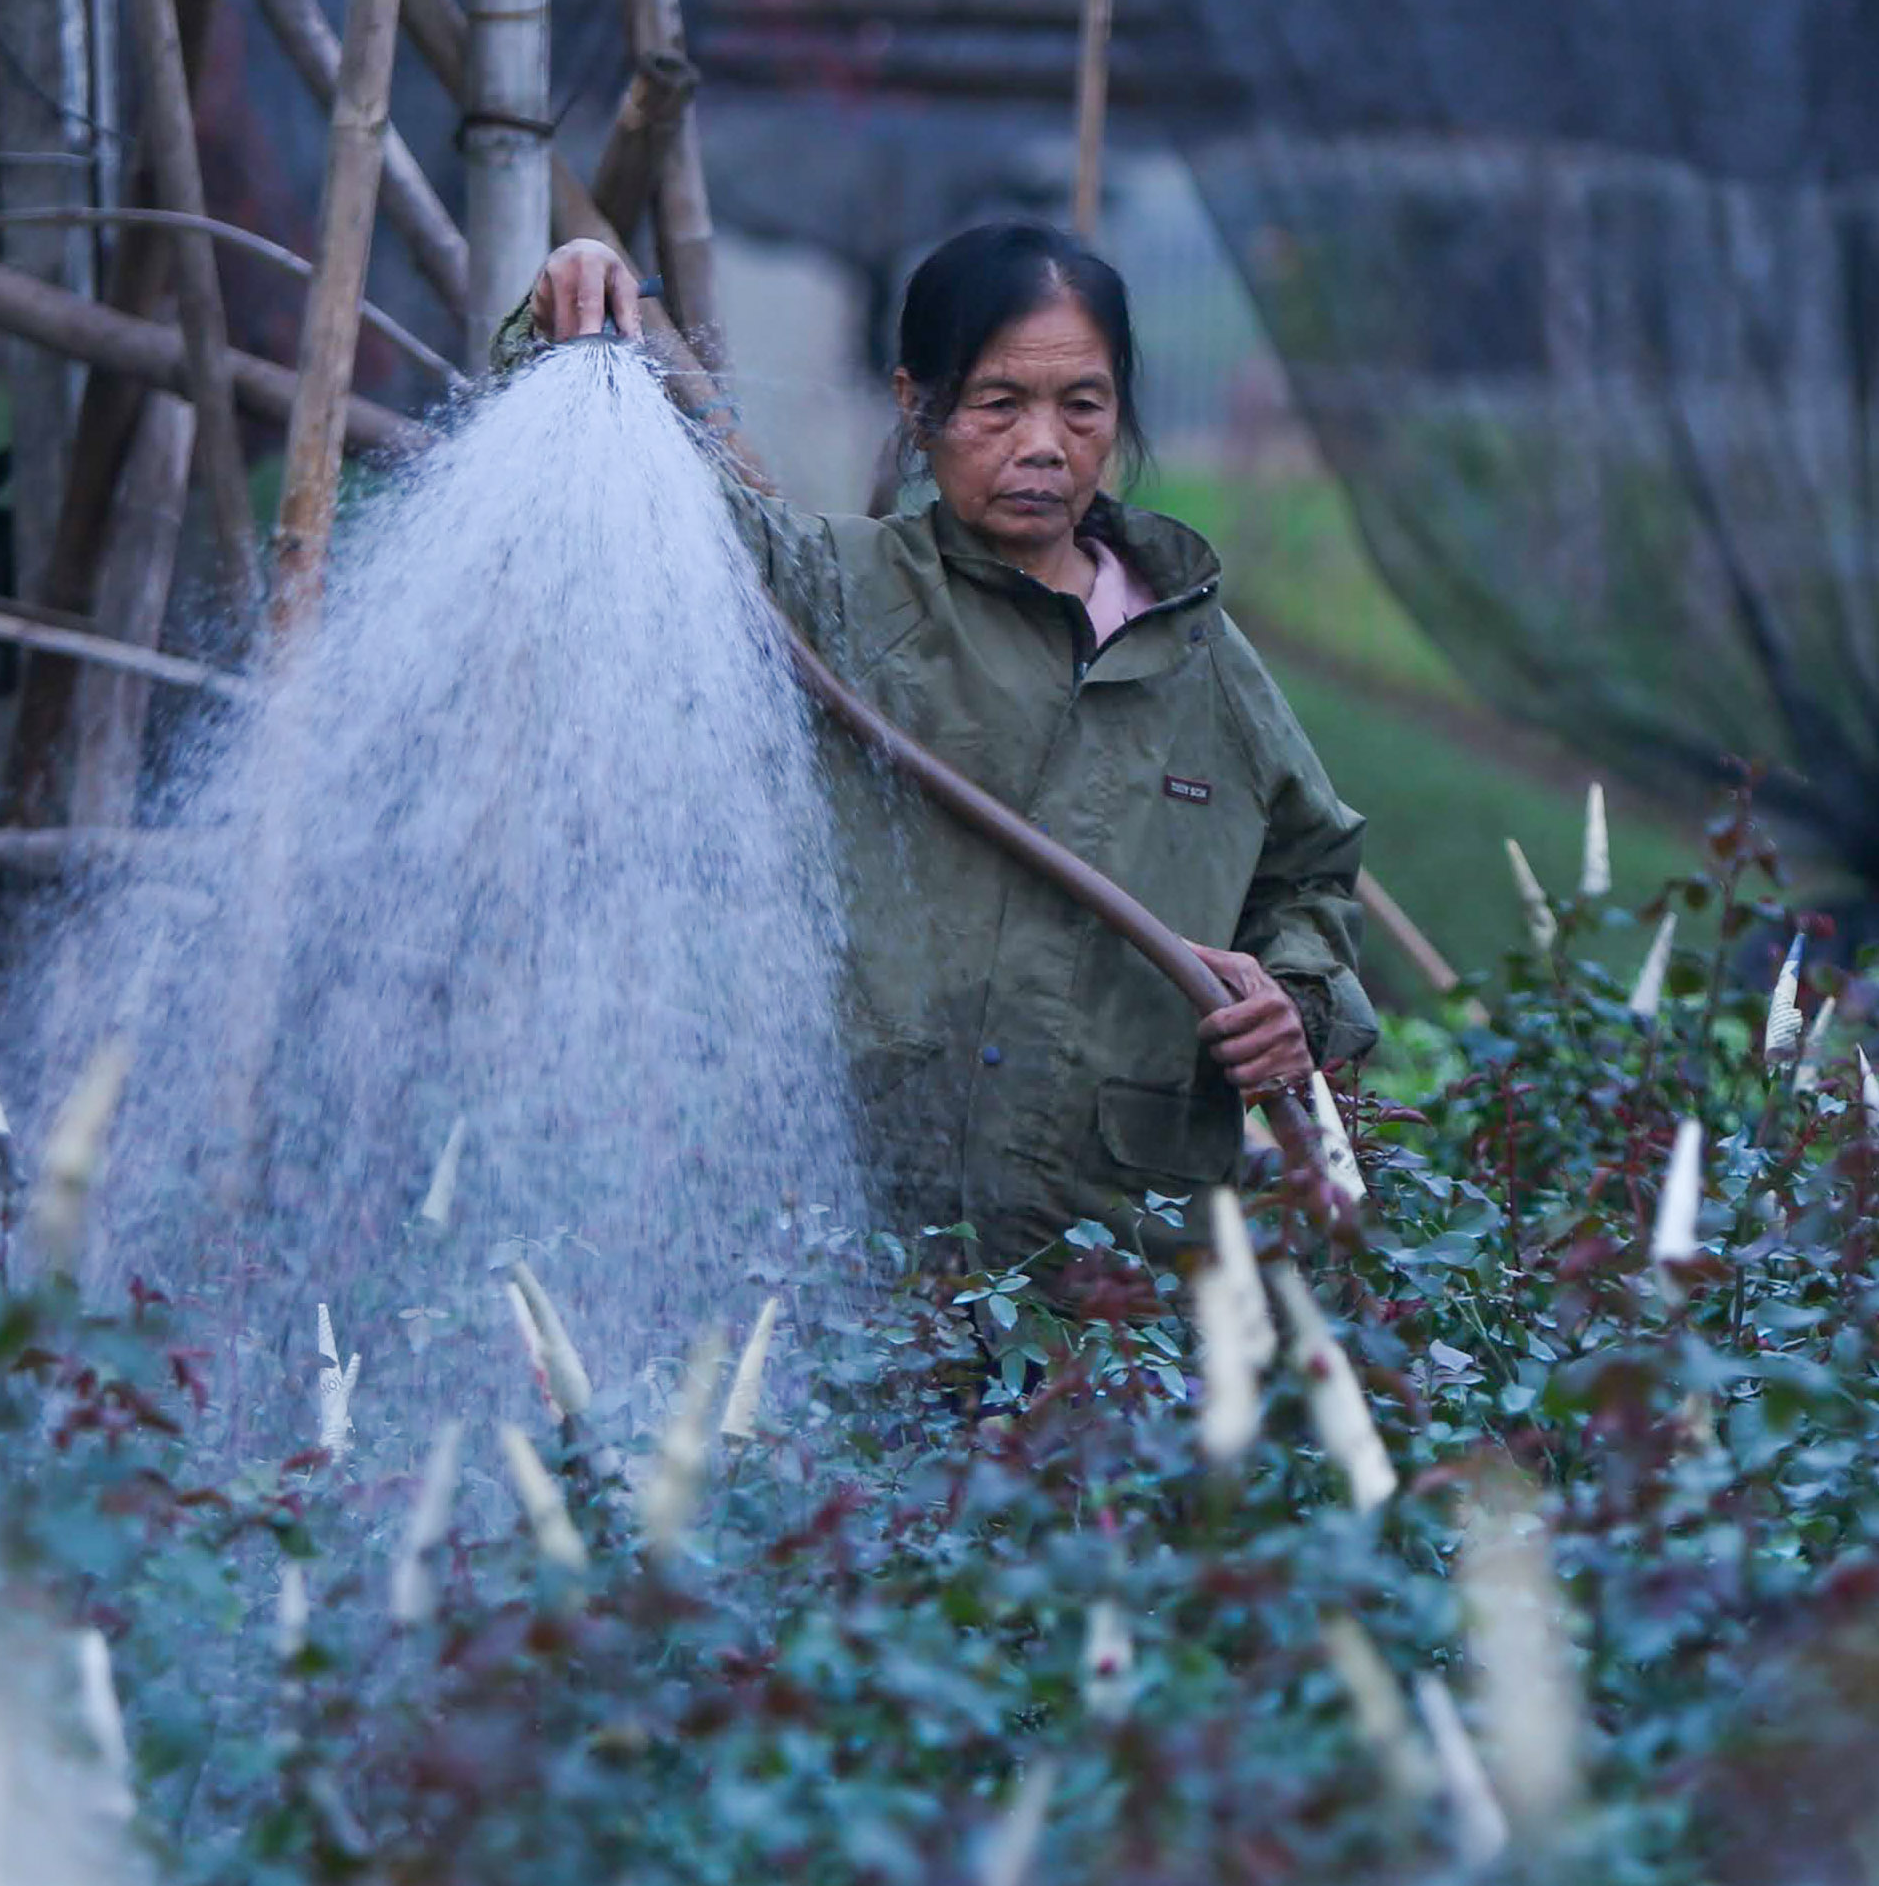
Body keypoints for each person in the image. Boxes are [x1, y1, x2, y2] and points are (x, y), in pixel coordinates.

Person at [526, 220, 1378, 1263]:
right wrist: (569, 311)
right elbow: (640, 495)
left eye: (1081, 405)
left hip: (1114, 1266)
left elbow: (1311, 872)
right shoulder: (831, 593)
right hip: (861, 1239)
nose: (1042, 445)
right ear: (915, 405)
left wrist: (1291, 1000)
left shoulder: (1196, 653)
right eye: (997, 403)